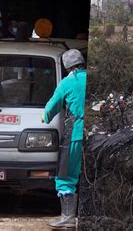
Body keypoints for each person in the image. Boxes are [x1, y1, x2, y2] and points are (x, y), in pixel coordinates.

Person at [42, 49, 86, 228]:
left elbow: (50, 108)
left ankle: (68, 217)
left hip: (75, 133)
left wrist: (45, 118)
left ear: (67, 66)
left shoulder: (68, 82)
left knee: (66, 174)